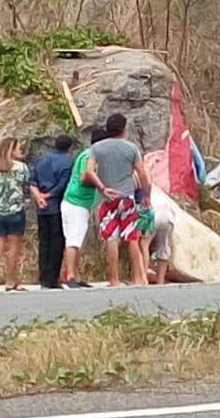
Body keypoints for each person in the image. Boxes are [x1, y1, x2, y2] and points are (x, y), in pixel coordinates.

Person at [84, 114, 151, 286]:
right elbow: (142, 174)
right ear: (123, 128)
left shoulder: (96, 148)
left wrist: (102, 187)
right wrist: (145, 195)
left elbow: (89, 172)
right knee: (131, 237)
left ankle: (114, 279)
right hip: (127, 197)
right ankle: (137, 278)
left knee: (111, 239)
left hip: (106, 199)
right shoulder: (131, 148)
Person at [0, 137, 34, 292]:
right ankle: (10, 281)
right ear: (12, 151)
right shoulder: (21, 167)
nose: (21, 151)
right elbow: (27, 186)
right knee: (13, 248)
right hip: (15, 211)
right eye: (18, 148)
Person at [60, 128, 104, 289]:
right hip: (76, 202)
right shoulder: (88, 156)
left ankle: (75, 275)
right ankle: (70, 275)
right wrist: (101, 184)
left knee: (77, 240)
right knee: (73, 239)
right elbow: (84, 176)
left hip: (81, 203)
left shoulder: (89, 155)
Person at [31, 135, 73, 290]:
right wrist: (47, 196)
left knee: (44, 242)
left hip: (41, 208)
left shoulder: (41, 159)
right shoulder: (67, 162)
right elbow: (62, 185)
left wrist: (39, 196)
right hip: (56, 206)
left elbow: (33, 180)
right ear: (69, 147)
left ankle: (43, 277)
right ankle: (51, 278)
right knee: (57, 243)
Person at [139, 200, 174, 284]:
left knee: (143, 244)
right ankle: (160, 281)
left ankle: (143, 277)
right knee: (163, 246)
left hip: (154, 214)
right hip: (169, 215)